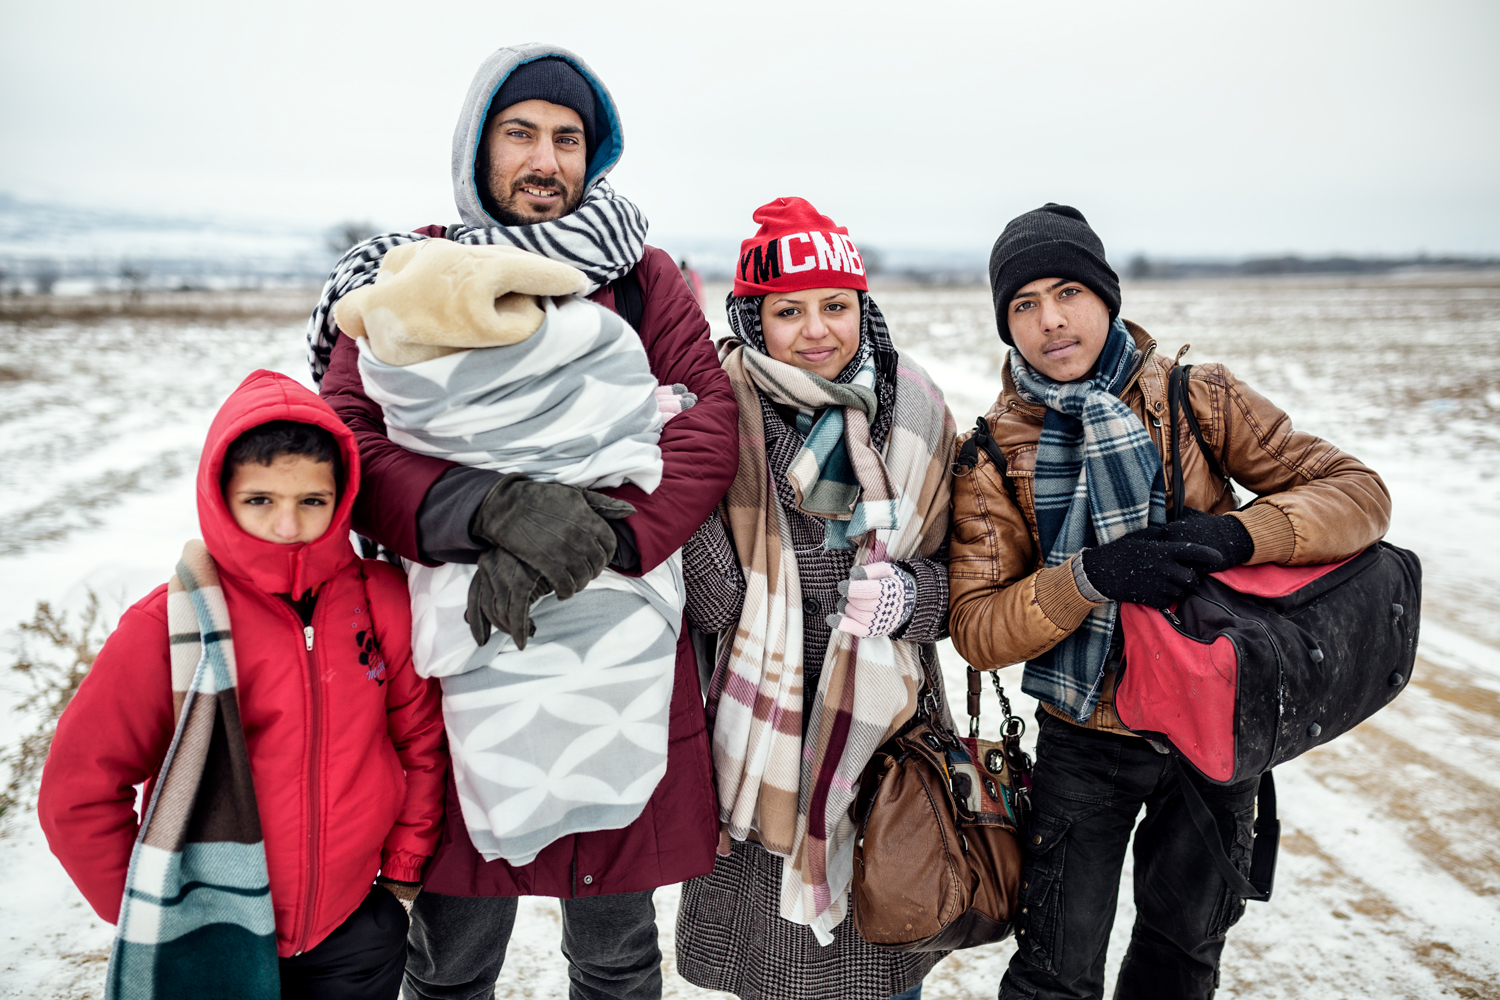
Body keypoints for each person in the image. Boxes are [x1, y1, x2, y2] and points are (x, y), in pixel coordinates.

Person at [307, 43, 737, 1000]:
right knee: (452, 962)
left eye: (568, 139)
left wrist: (595, 538)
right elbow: (350, 433)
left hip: (619, 648)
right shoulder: (413, 273)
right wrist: (491, 510)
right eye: (521, 134)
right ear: (478, 148)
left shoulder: (641, 276)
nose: (546, 160)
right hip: (468, 653)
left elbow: (708, 418)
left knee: (618, 954)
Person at [947, 203, 1392, 1000]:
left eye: (1068, 292)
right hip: (1085, 741)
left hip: (1215, 728)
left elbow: (1360, 494)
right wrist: (1089, 577)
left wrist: (1239, 536)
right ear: (1006, 325)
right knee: (1055, 973)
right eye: (1024, 305)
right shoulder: (991, 451)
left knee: (1181, 960)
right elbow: (977, 629)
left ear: (1106, 296)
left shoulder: (1198, 398)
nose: (1051, 321)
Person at [39, 369, 448, 999]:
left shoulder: (380, 600)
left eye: (312, 501)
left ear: (341, 497)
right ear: (220, 496)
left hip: (353, 930)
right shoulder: (167, 625)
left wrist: (398, 878)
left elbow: (419, 743)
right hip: (213, 937)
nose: (288, 525)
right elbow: (80, 791)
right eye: (260, 500)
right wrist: (154, 914)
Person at [673, 197, 957, 1000]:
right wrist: (674, 467)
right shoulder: (718, 413)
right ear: (752, 318)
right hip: (761, 741)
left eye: (835, 305)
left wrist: (912, 597)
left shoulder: (921, 411)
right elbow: (716, 606)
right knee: (778, 977)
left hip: (887, 740)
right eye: (788, 311)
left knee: (884, 955)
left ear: (862, 306)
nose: (817, 331)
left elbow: (968, 578)